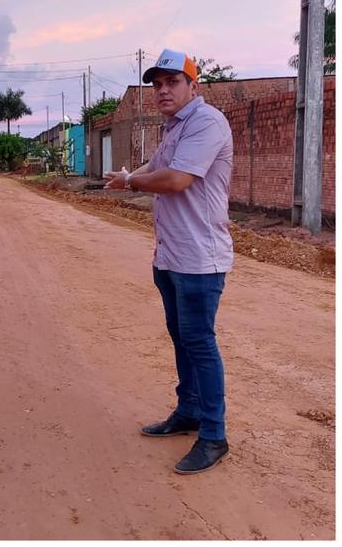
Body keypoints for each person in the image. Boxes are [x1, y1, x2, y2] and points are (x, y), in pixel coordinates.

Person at [104, 49, 233, 475]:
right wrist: (128, 177)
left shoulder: (207, 123)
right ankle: (189, 412)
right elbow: (156, 166)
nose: (162, 90)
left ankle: (213, 435)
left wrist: (131, 183)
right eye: (157, 84)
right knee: (182, 339)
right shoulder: (175, 127)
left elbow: (176, 179)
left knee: (200, 342)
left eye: (172, 82)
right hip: (171, 256)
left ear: (194, 86)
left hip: (199, 259)